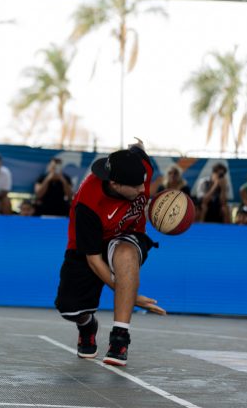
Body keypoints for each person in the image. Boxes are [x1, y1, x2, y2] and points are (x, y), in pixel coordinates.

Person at [55, 139, 165, 367]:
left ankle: (119, 338)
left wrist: (139, 145)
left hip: (128, 235)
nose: (142, 190)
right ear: (115, 184)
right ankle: (87, 325)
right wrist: (132, 296)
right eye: (135, 186)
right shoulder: (88, 203)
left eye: (142, 183)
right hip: (89, 246)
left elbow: (138, 151)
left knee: (126, 254)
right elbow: (94, 260)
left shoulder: (139, 168)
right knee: (69, 308)